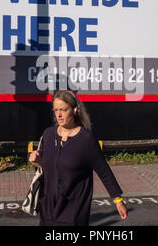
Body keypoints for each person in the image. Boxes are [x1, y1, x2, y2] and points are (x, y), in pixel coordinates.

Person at [29, 90, 128, 226]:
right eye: (56, 109)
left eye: (63, 110)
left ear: (75, 110)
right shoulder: (48, 134)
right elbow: (48, 166)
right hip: (48, 209)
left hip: (74, 211)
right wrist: (37, 162)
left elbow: (104, 171)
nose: (59, 114)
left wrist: (118, 200)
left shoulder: (86, 139)